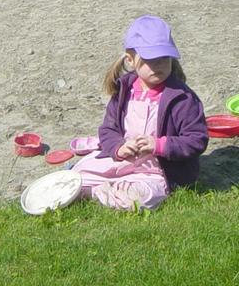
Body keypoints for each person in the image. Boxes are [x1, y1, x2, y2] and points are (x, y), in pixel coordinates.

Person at [72, 14, 208, 211]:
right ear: (131, 59)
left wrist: (160, 145)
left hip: (158, 169)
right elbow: (108, 129)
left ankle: (102, 193)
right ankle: (97, 187)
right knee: (77, 176)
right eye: (150, 60)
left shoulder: (182, 98)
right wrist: (118, 148)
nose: (158, 66)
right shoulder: (124, 91)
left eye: (163, 59)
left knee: (141, 199)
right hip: (125, 160)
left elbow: (197, 139)